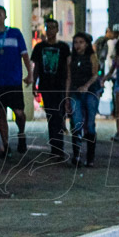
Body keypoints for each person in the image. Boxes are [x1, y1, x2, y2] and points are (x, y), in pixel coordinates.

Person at [0, 5, 32, 156]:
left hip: (14, 79)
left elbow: (24, 54)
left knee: (19, 113)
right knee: (1, 113)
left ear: (5, 16)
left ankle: (21, 133)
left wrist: (30, 73)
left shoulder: (15, 33)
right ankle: (5, 145)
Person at [31, 19, 72, 163]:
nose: (51, 30)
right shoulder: (39, 47)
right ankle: (55, 148)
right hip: (46, 86)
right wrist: (34, 84)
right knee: (51, 116)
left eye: (54, 28)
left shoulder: (64, 47)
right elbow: (36, 68)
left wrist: (68, 88)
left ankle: (58, 148)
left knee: (58, 116)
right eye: (49, 28)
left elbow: (68, 69)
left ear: (57, 30)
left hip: (59, 86)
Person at [68, 32, 100, 167]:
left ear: (86, 44)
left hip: (90, 92)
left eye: (81, 42)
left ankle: (90, 157)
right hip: (75, 92)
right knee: (76, 123)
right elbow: (68, 78)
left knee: (90, 124)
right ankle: (76, 155)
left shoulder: (92, 57)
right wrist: (66, 96)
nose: (78, 45)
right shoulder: (70, 59)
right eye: (76, 42)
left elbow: (95, 74)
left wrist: (87, 86)